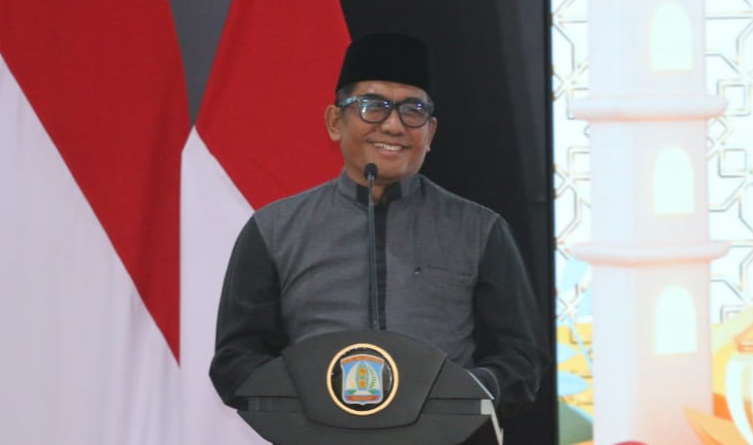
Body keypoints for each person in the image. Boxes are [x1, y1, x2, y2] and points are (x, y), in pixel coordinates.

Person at [210, 32, 548, 419]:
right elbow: (235, 360)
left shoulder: (480, 230)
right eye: (373, 107)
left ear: (430, 133)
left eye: (413, 111)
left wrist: (461, 393)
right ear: (335, 122)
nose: (393, 126)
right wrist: (310, 397)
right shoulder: (274, 229)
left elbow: (522, 359)